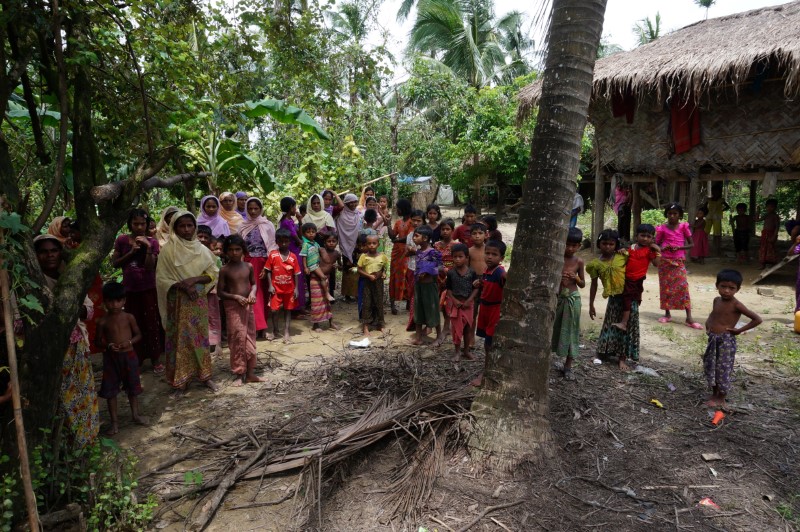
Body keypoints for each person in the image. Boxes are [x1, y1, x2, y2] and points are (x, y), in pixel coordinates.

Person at [34, 235, 99, 447]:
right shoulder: (31, 284)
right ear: (35, 256)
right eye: (44, 251)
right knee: (59, 397)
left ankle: (87, 439)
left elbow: (88, 310)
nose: (50, 255)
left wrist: (70, 305)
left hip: (75, 346)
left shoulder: (71, 276)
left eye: (54, 250)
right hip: (46, 349)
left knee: (82, 392)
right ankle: (64, 444)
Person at [155, 211, 220, 395]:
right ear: (174, 228)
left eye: (189, 225)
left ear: (195, 227)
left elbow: (213, 273)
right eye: (181, 226)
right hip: (177, 301)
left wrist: (193, 281)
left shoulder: (202, 250)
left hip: (197, 300)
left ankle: (205, 376)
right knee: (180, 340)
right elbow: (161, 278)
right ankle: (180, 380)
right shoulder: (168, 251)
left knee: (200, 338)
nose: (186, 229)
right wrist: (182, 286)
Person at [112, 209, 164, 373]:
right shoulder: (122, 240)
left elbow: (150, 266)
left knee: (152, 322)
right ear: (130, 224)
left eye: (143, 224)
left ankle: (155, 358)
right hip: (130, 290)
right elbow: (115, 263)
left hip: (148, 288)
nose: (139, 227)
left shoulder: (153, 242)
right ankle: (138, 358)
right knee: (134, 324)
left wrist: (147, 248)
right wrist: (132, 252)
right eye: (136, 224)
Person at [703, 269, 762, 406]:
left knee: (723, 367)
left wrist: (739, 330)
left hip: (726, 341)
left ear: (738, 289)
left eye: (731, 288)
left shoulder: (736, 305)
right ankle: (714, 392)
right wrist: (708, 324)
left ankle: (721, 397)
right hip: (713, 339)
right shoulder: (716, 300)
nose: (727, 291)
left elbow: (757, 319)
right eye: (723, 286)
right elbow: (714, 315)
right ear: (717, 286)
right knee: (711, 365)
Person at [95, 282, 146, 436]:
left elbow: (138, 335)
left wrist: (129, 342)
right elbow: (97, 341)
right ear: (104, 302)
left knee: (132, 387)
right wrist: (109, 345)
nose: (114, 304)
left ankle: (135, 415)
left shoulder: (129, 317)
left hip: (129, 356)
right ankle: (114, 422)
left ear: (124, 301)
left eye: (118, 300)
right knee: (110, 390)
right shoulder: (102, 321)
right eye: (110, 301)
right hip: (111, 358)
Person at [218, 234, 267, 386]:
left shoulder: (249, 266)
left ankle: (251, 372)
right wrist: (235, 297)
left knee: (250, 337)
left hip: (247, 306)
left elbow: (253, 284)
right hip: (233, 307)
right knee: (237, 338)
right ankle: (239, 373)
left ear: (243, 250)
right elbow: (220, 292)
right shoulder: (224, 270)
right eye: (231, 250)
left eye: (237, 249)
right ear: (226, 251)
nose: (234, 253)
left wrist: (252, 293)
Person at [587, 229, 640, 370]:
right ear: (599, 244)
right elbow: (593, 285)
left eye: (611, 244)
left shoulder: (624, 256)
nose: (608, 247)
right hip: (614, 299)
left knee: (626, 328)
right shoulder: (595, 265)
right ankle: (601, 353)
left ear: (616, 244)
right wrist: (591, 304)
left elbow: (638, 268)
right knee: (609, 326)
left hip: (629, 297)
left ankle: (622, 358)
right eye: (604, 243)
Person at [656, 203, 703, 329]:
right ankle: (667, 314)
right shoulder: (661, 229)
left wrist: (679, 247)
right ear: (666, 214)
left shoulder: (683, 227)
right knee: (665, 287)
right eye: (670, 213)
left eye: (675, 214)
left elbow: (691, 244)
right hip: (665, 261)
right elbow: (655, 245)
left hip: (679, 261)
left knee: (683, 287)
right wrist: (662, 248)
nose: (672, 216)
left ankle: (689, 318)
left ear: (680, 215)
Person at [238, 197, 277, 340]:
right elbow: (240, 247)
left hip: (263, 264)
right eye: (250, 209)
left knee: (263, 295)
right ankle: (254, 327)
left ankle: (263, 327)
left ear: (261, 209)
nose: (253, 211)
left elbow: (272, 246)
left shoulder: (267, 225)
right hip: (247, 263)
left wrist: (268, 267)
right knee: (251, 295)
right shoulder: (242, 225)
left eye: (256, 208)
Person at [612, 224, 660, 332]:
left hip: (636, 279)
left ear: (652, 238)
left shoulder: (649, 251)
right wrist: (621, 251)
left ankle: (624, 323)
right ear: (636, 235)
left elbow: (656, 264)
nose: (645, 239)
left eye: (648, 237)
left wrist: (658, 252)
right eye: (642, 235)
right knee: (627, 297)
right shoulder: (631, 247)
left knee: (627, 298)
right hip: (626, 277)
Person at [552, 228, 585, 380]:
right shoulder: (556, 258)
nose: (570, 248)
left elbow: (583, 284)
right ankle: (549, 360)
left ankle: (568, 366)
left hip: (572, 299)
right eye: (567, 244)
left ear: (579, 246)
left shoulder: (579, 262)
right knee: (554, 329)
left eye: (574, 245)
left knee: (571, 331)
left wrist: (575, 278)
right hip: (557, 299)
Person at [473, 240, 508, 385]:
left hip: (494, 310)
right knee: (487, 343)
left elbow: (506, 284)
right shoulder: (487, 271)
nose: (489, 257)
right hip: (485, 309)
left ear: (501, 258)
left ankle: (487, 372)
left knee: (489, 343)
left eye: (494, 254)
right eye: (487, 253)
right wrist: (480, 283)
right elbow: (487, 286)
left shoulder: (500, 273)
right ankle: (490, 368)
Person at [265, 228, 300, 343]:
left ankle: (286, 332)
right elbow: (268, 270)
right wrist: (270, 285)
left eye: (286, 241)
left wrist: (296, 288)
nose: (284, 244)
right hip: (275, 288)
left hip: (289, 289)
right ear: (276, 241)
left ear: (290, 241)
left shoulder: (293, 257)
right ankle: (275, 330)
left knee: (288, 310)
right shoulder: (273, 255)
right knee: (274, 310)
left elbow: (296, 273)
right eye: (281, 241)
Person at [446, 244, 479, 361]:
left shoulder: (471, 272)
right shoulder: (451, 273)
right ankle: (457, 352)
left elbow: (476, 289)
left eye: (460, 257)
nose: (457, 259)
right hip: (456, 305)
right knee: (456, 329)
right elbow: (448, 290)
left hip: (468, 305)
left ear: (467, 258)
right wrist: (455, 301)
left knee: (468, 328)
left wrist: (469, 301)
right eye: (455, 257)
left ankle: (466, 350)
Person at [410, 225, 442, 345]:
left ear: (425, 238)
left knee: (432, 310)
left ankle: (439, 336)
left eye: (416, 236)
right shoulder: (418, 251)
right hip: (419, 286)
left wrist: (428, 272)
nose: (413, 238)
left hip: (429, 287)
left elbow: (439, 267)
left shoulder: (433, 252)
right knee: (418, 311)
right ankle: (419, 337)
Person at [278, 197, 308, 311]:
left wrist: (300, 221)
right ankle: (296, 308)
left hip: (295, 251)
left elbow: (300, 236)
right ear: (290, 207)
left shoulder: (290, 220)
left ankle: (298, 307)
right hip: (293, 252)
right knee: (296, 279)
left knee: (298, 279)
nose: (296, 209)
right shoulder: (286, 222)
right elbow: (298, 239)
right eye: (294, 207)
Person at [197, 225, 223, 356]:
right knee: (199, 318)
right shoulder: (192, 254)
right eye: (199, 236)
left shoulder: (214, 258)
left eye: (205, 237)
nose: (202, 239)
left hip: (212, 291)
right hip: (196, 292)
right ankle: (202, 344)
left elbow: (217, 274)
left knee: (213, 317)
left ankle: (217, 343)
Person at [357, 234, 389, 336]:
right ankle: (365, 326)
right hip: (367, 281)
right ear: (366, 245)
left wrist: (383, 273)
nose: (371, 245)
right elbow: (359, 269)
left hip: (378, 282)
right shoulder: (364, 256)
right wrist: (368, 276)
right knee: (367, 303)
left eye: (374, 243)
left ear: (378, 244)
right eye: (369, 243)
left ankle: (380, 324)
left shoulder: (382, 256)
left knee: (378, 302)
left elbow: (384, 267)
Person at [334, 193, 362, 303]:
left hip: (356, 246)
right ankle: (346, 294)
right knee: (347, 269)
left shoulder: (357, 214)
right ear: (346, 203)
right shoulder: (341, 214)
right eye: (351, 202)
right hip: (345, 245)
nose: (353, 204)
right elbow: (339, 229)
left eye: (355, 201)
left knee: (356, 269)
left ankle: (355, 293)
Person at [433, 218, 456, 347]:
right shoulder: (436, 245)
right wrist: (440, 268)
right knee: (438, 303)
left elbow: (458, 261)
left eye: (448, 229)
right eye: (443, 229)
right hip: (438, 277)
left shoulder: (455, 245)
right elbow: (434, 261)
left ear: (452, 230)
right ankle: (440, 328)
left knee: (448, 303)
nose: (445, 231)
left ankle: (447, 327)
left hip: (450, 278)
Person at [388, 198, 413, 314]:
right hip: (396, 253)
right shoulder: (398, 222)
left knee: (407, 276)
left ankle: (408, 302)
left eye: (398, 208)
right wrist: (387, 224)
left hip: (407, 253)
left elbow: (409, 237)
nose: (396, 210)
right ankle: (393, 304)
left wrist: (397, 240)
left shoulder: (412, 222)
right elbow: (392, 236)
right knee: (393, 276)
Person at [404, 210, 425, 331]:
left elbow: (425, 251)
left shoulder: (427, 234)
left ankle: (422, 323)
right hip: (411, 268)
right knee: (413, 295)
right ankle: (413, 321)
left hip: (423, 270)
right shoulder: (409, 235)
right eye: (414, 220)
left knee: (422, 296)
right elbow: (407, 252)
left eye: (419, 220)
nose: (416, 223)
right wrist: (413, 250)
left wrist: (415, 250)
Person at [315, 232, 341, 330]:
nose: (331, 243)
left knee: (327, 302)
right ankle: (316, 325)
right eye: (329, 241)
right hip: (316, 278)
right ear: (324, 243)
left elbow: (341, 267)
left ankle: (331, 322)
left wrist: (338, 266)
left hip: (327, 278)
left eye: (333, 241)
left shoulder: (337, 254)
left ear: (337, 242)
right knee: (316, 302)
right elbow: (313, 260)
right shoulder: (321, 250)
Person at [702, 183, 729, 257]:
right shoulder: (709, 199)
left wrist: (721, 211)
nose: (715, 192)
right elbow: (704, 207)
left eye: (717, 191)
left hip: (717, 218)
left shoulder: (721, 200)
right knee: (705, 233)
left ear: (719, 192)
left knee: (717, 234)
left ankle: (717, 249)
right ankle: (704, 248)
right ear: (712, 191)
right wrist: (705, 213)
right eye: (714, 191)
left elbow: (727, 207)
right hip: (708, 217)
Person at [759, 198, 780, 269]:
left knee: (771, 249)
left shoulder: (775, 216)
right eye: (768, 206)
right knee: (763, 249)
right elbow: (757, 220)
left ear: (775, 207)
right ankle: (762, 264)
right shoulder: (766, 215)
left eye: (772, 207)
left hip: (771, 234)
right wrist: (757, 211)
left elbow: (777, 227)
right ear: (766, 207)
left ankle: (771, 264)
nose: (769, 208)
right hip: (765, 234)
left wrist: (774, 236)